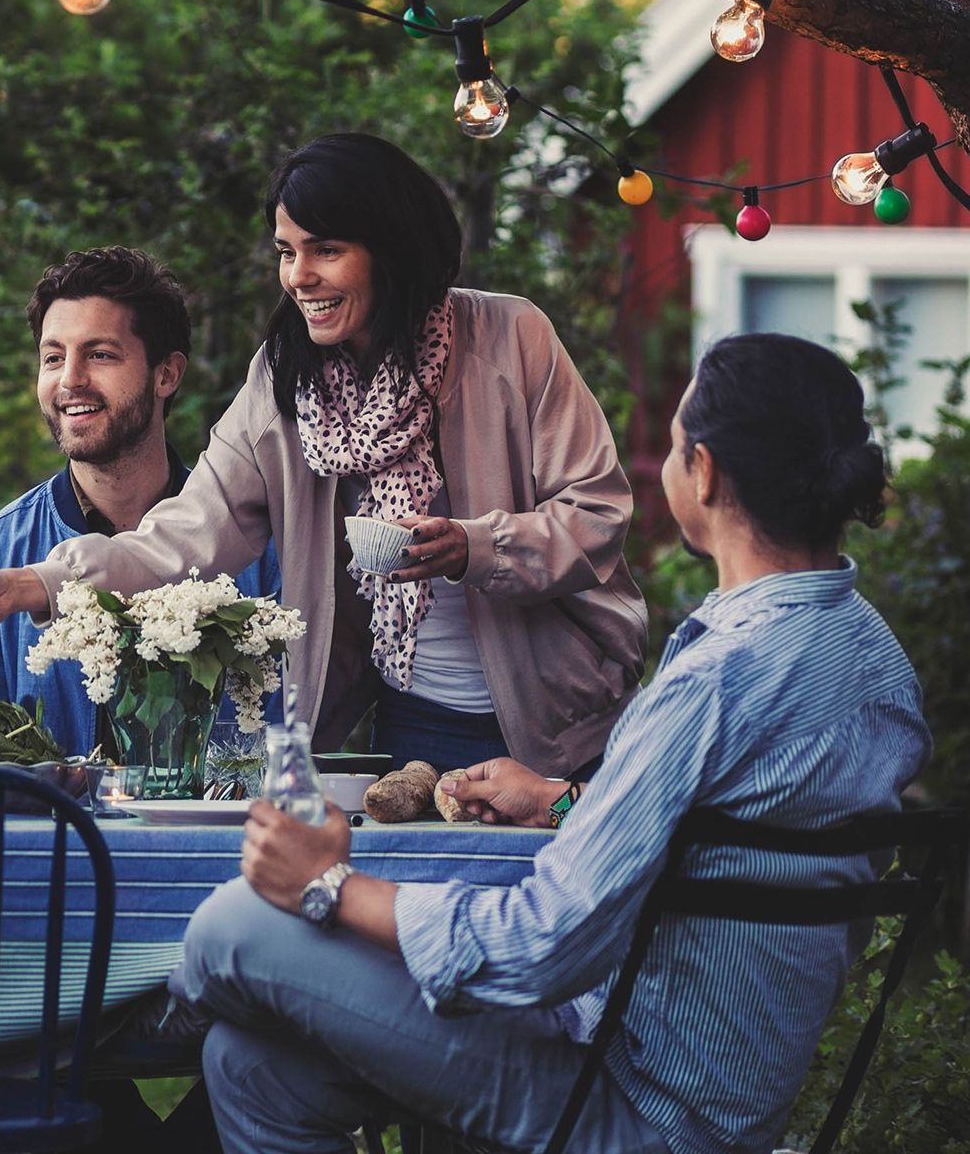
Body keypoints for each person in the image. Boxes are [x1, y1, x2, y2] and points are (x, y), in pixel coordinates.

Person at [174, 332, 930, 1154]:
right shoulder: (872, 660)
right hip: (717, 1090)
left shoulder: (718, 679)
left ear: (703, 473)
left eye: (675, 444)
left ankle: (102, 1031)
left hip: (626, 1097)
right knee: (252, 1066)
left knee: (233, 925)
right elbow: (743, 845)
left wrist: (327, 883)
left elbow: (543, 944)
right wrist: (569, 802)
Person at [0, 133, 645, 776]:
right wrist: (43, 583)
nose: (298, 275)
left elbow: (597, 515)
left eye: (325, 249)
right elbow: (189, 535)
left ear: (391, 247)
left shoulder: (510, 338)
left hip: (561, 728)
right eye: (285, 251)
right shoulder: (284, 378)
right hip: (410, 730)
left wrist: (474, 546)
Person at [0, 247, 280, 755]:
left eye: (99, 355)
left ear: (167, 374)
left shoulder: (258, 547)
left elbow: (289, 739)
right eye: (53, 357)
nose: (70, 379)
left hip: (216, 836)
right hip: (49, 835)